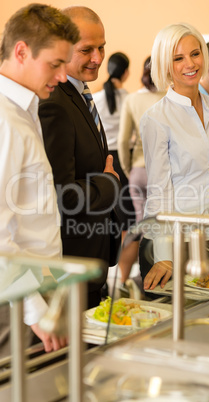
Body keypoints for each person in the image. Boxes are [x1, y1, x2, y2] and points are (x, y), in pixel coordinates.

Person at [0, 3, 80, 355]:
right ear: (21, 52)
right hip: (18, 298)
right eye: (54, 64)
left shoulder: (24, 110)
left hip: (37, 286)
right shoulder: (4, 120)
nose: (63, 77)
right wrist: (35, 310)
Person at [139, 23, 209, 291]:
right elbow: (159, 191)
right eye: (178, 58)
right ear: (165, 65)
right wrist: (163, 257)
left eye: (195, 54)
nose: (190, 64)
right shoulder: (156, 118)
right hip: (174, 241)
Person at [39, 6, 121, 309]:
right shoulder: (54, 102)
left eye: (101, 47)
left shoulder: (80, 94)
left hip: (92, 256)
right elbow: (62, 194)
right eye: (87, 49)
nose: (98, 58)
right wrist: (109, 185)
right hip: (71, 265)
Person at [117, 56, 166, 288]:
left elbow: (123, 140)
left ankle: (123, 281)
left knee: (138, 227)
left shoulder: (132, 100)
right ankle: (151, 280)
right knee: (161, 229)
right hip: (164, 174)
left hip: (138, 171)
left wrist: (129, 170)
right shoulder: (171, 99)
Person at [93, 53, 137, 291]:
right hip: (124, 160)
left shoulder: (96, 98)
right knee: (128, 222)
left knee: (109, 219)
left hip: (104, 162)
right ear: (127, 72)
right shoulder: (129, 98)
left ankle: (108, 279)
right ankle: (122, 279)